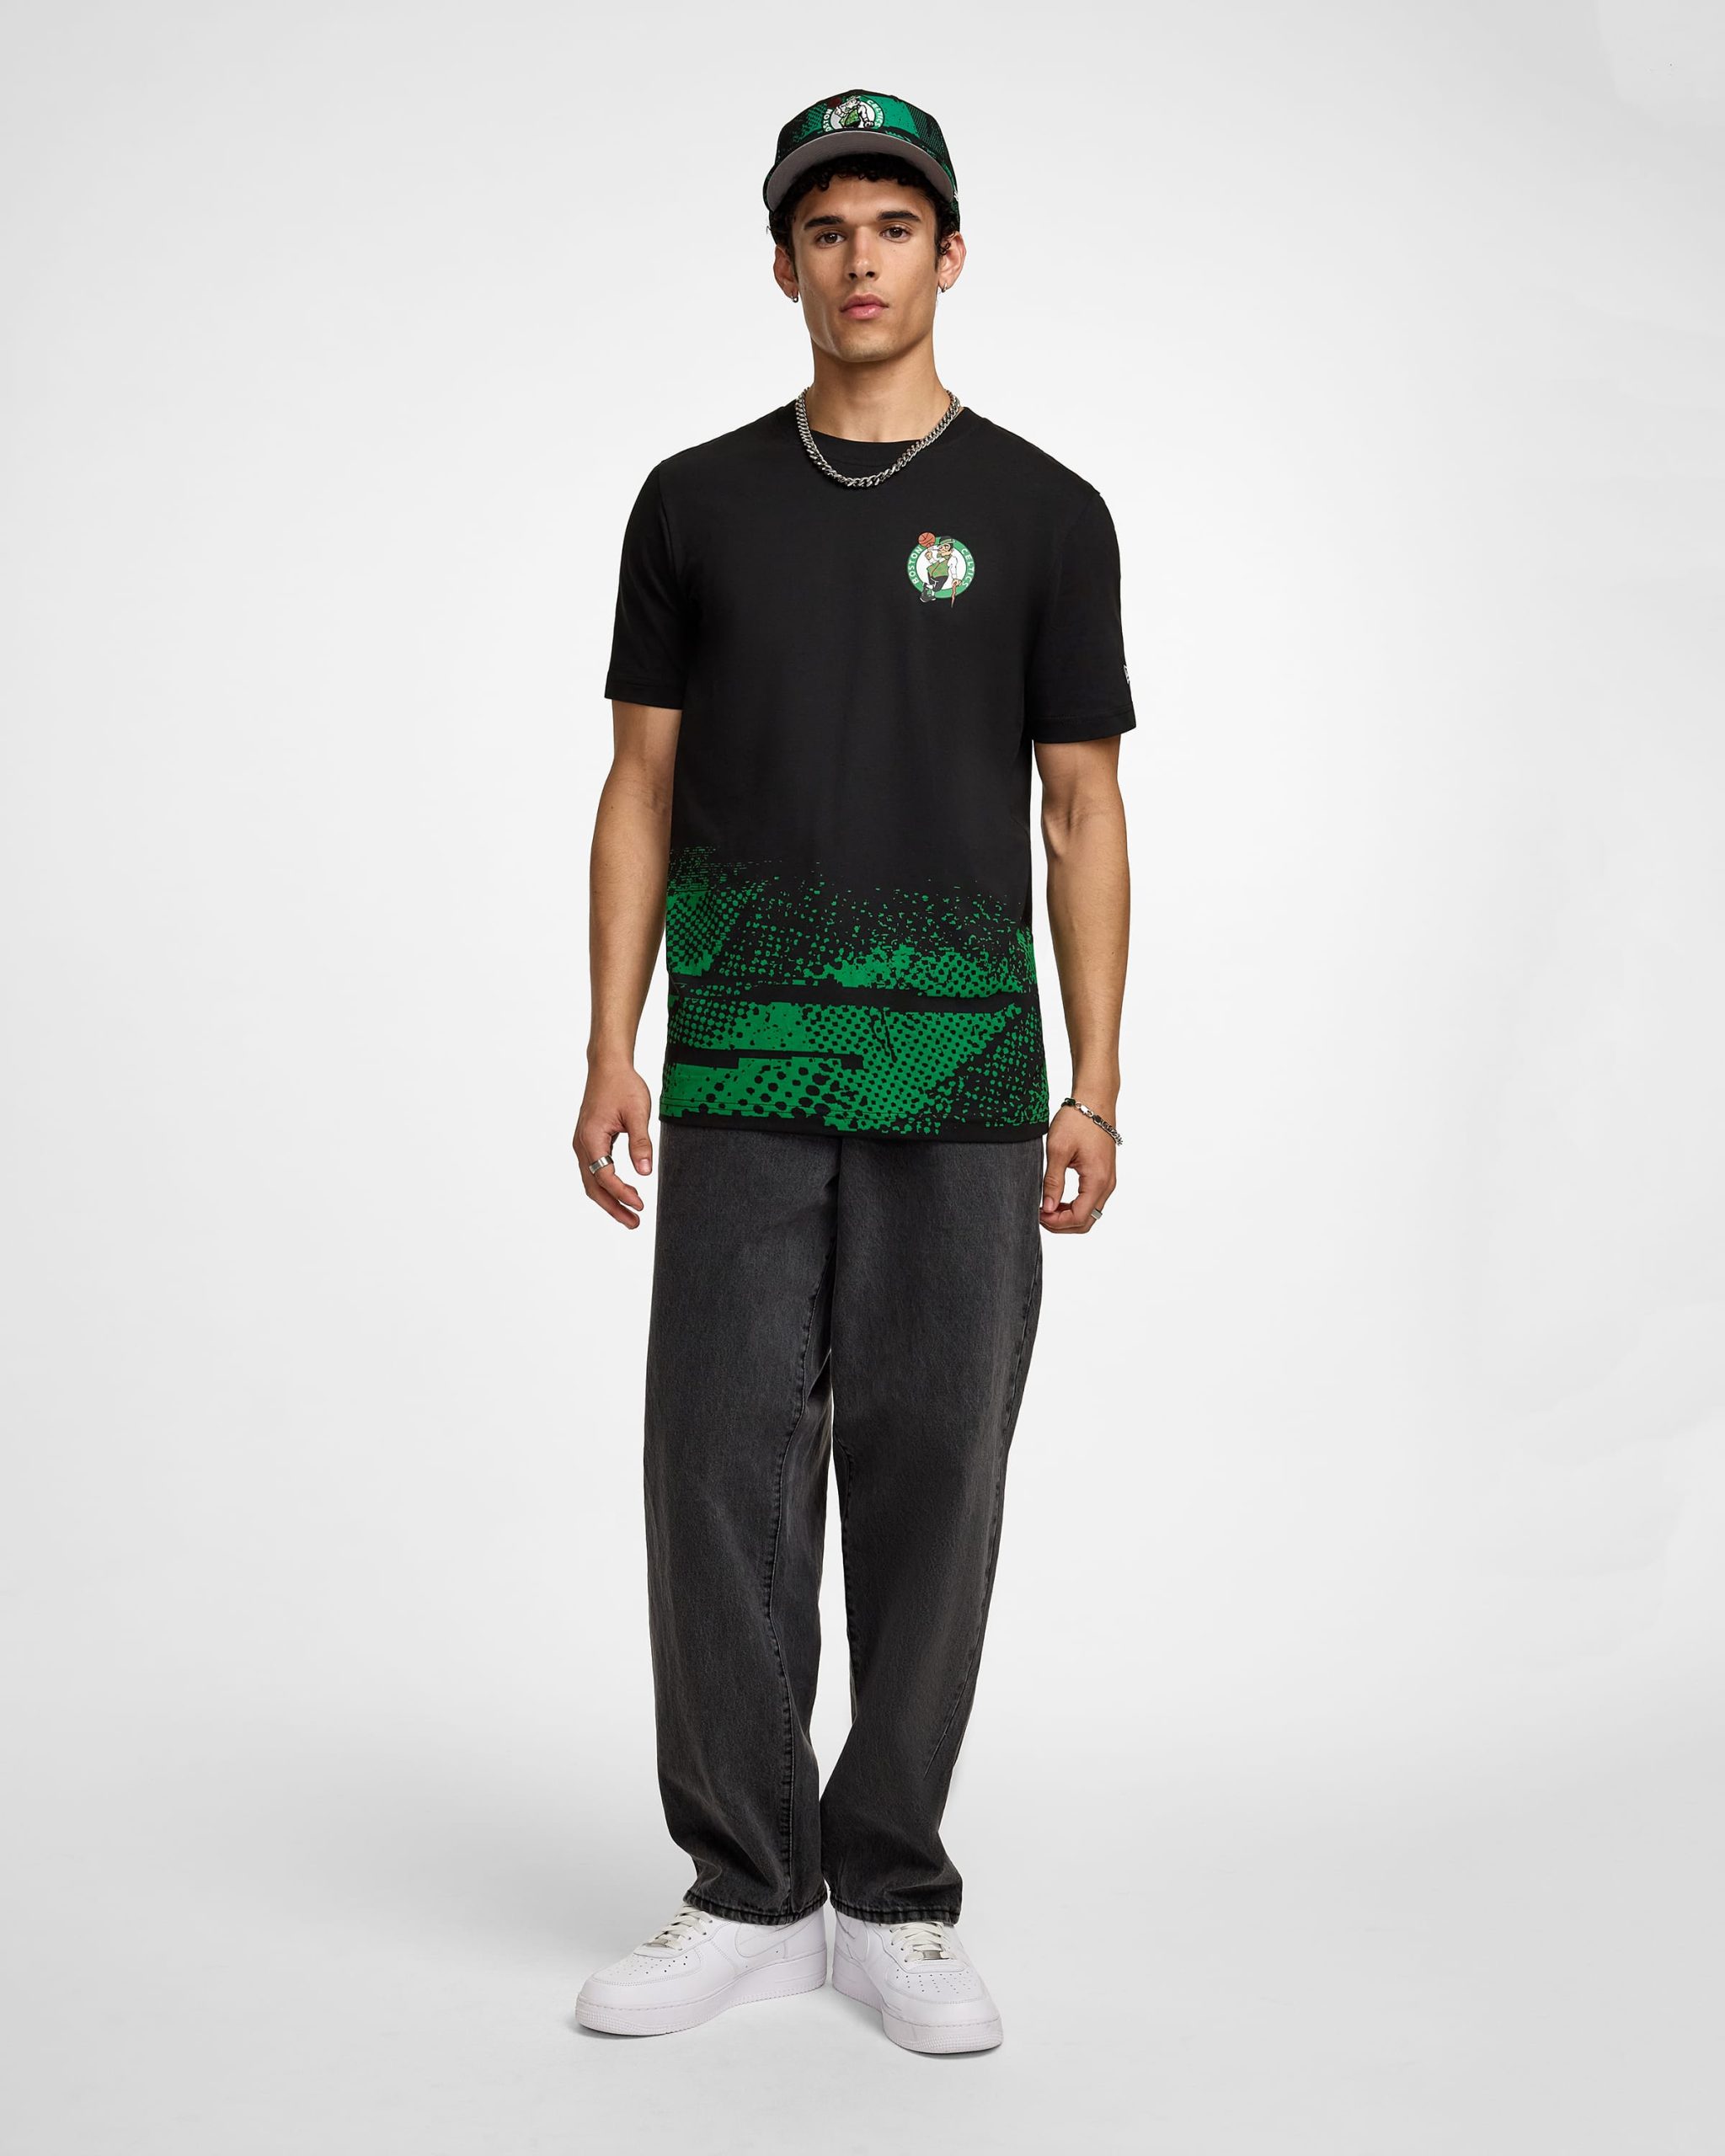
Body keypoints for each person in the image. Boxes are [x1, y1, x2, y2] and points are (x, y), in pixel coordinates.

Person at [573, 88, 1134, 2052]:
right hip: (738, 1060)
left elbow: (1081, 809)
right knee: (716, 1462)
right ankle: (748, 1881)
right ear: (785, 263)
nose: (862, 258)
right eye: (828, 229)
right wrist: (609, 1043)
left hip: (963, 1076)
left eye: (896, 224)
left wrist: (1094, 1081)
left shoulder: (1047, 512)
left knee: (934, 1464)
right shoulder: (692, 502)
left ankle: (889, 1885)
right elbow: (638, 785)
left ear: (948, 255)